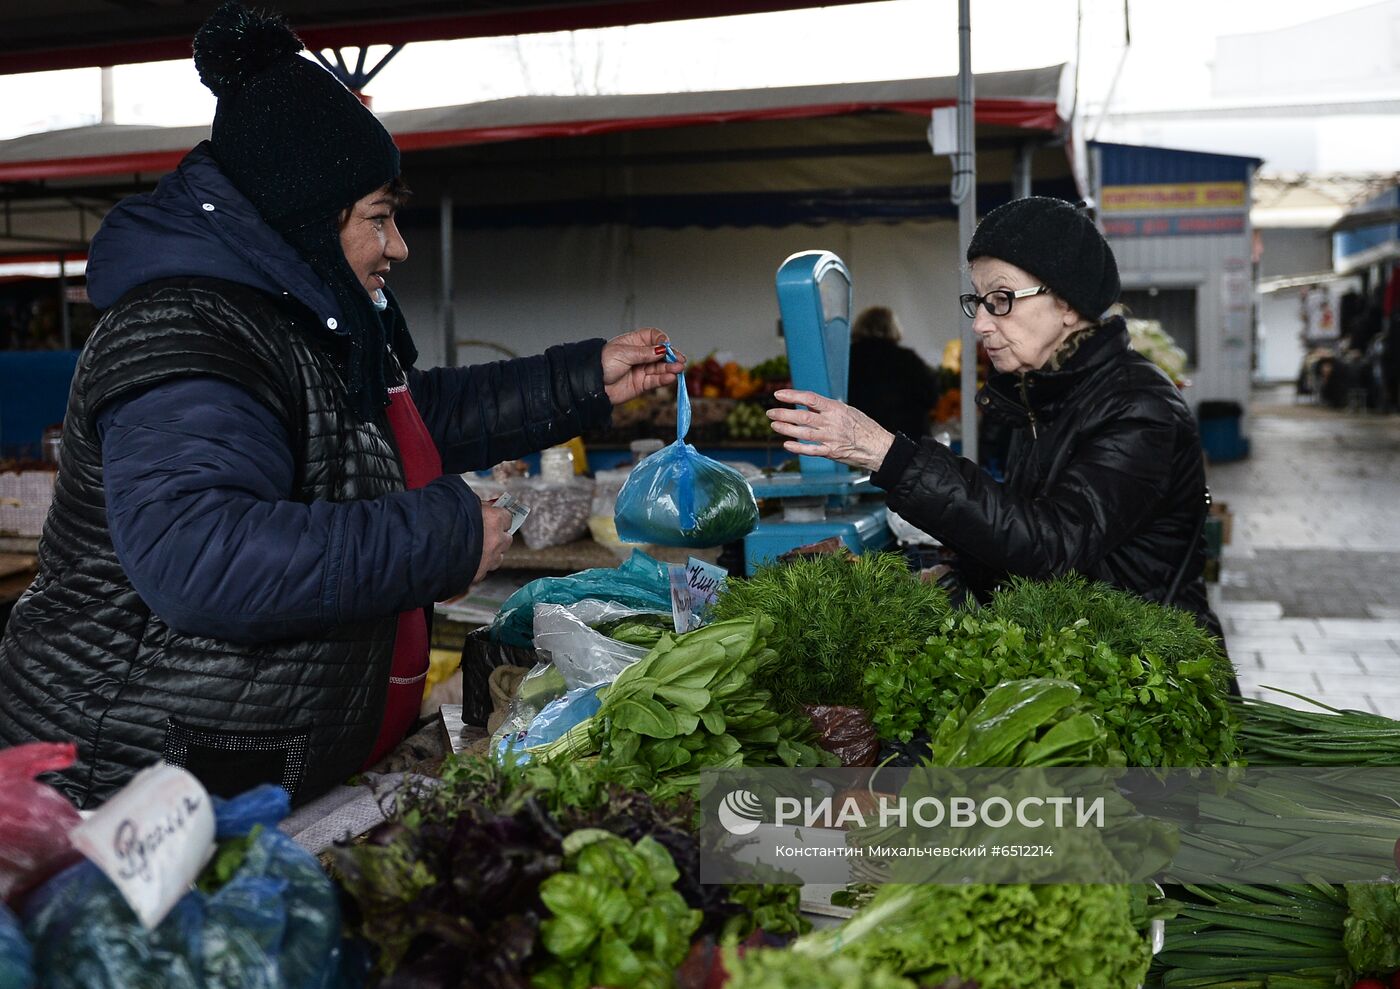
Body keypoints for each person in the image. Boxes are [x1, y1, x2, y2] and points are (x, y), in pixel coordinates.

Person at [0, 2, 684, 808]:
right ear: (307, 221)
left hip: (247, 772)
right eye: (379, 218)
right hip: (132, 786)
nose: (397, 246)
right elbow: (201, 556)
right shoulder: (189, 328)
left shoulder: (304, 318)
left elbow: (404, 418)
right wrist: (443, 535)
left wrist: (583, 380)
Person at [768, 196, 1232, 664]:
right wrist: (953, 569)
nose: (981, 324)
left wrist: (887, 453)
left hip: (1154, 672)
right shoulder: (1047, 396)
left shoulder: (1137, 405)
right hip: (1091, 651)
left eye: (1002, 300)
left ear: (1066, 303)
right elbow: (1024, 536)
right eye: (979, 301)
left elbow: (1053, 544)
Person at [846, 305, 941, 439]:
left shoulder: (847, 358)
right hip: (905, 441)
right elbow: (931, 396)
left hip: (859, 437)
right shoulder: (908, 359)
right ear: (892, 327)